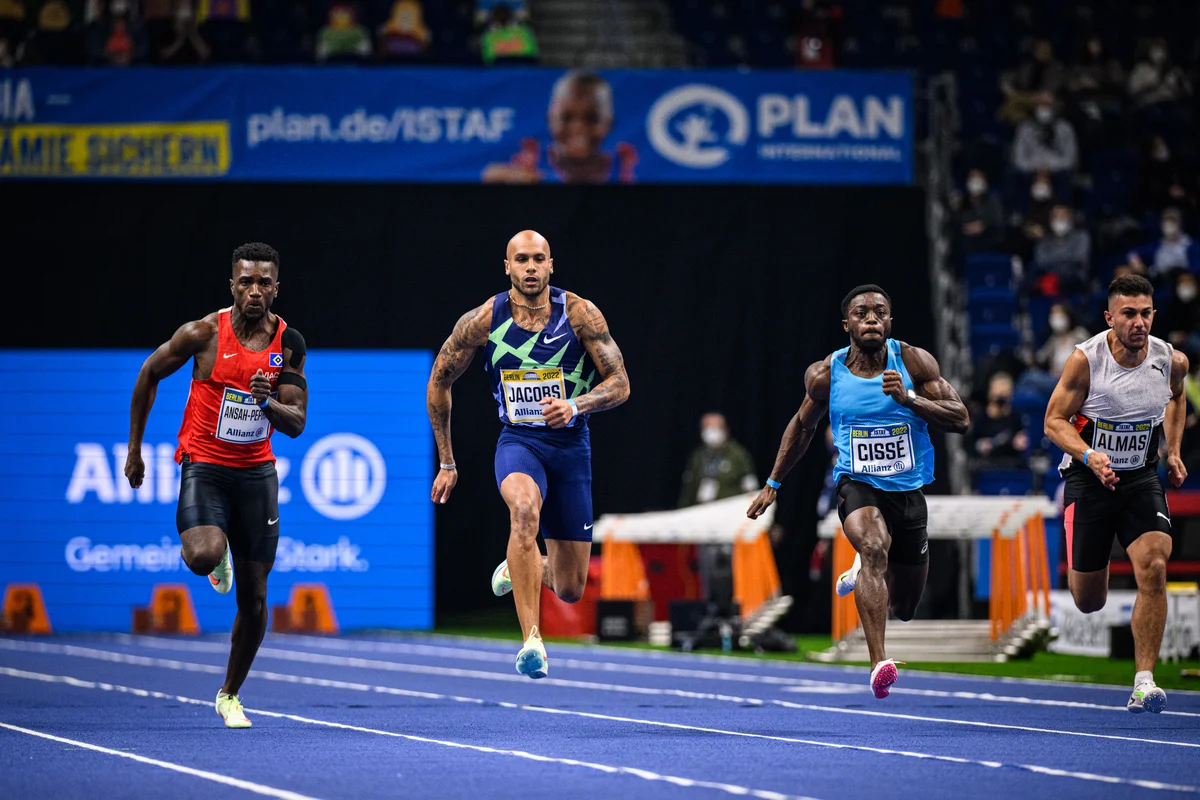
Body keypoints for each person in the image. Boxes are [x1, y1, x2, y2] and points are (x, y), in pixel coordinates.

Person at [747, 284, 969, 698]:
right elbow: (802, 427)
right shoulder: (826, 373)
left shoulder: (914, 361)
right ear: (846, 323)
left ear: (889, 322)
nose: (871, 319)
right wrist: (773, 484)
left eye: (879, 312)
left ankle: (865, 568)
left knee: (904, 608)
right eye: (862, 313)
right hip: (858, 484)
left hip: (908, 492)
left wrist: (910, 400)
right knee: (873, 547)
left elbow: (960, 419)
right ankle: (878, 662)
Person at [426, 230, 630, 679]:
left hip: (571, 446)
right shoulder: (483, 319)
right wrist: (447, 461)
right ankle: (531, 639)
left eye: (539, 259)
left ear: (551, 264)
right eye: (522, 260)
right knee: (523, 511)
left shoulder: (579, 314)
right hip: (519, 442)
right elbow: (439, 381)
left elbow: (620, 383)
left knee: (572, 588)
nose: (531, 267)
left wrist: (577, 404)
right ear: (508, 267)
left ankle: (527, 564)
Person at [124, 242, 308, 728]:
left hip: (256, 475)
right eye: (245, 281)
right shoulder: (202, 333)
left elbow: (296, 423)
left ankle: (230, 693)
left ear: (276, 289)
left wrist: (268, 404)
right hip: (205, 465)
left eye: (264, 283)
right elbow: (148, 373)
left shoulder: (290, 344)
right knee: (203, 555)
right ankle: (218, 552)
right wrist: (134, 449)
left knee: (255, 598)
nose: (254, 291)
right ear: (232, 285)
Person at [1044, 274, 1189, 714]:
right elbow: (1053, 421)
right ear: (1110, 317)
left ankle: (1144, 680)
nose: (1138, 323)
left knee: (1155, 565)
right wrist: (1090, 456)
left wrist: (1174, 450)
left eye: (1145, 313)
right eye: (1128, 314)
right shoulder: (1085, 360)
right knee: (1090, 601)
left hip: (1141, 478)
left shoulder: (1171, 360)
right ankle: (1087, 547)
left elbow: (1176, 399)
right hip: (1090, 480)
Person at [481, 71, 637, 185]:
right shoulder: (534, 160)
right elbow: (490, 174)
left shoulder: (623, 164)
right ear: (550, 118)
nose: (578, 127)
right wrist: (518, 176)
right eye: (567, 118)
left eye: (591, 118)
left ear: (610, 122)